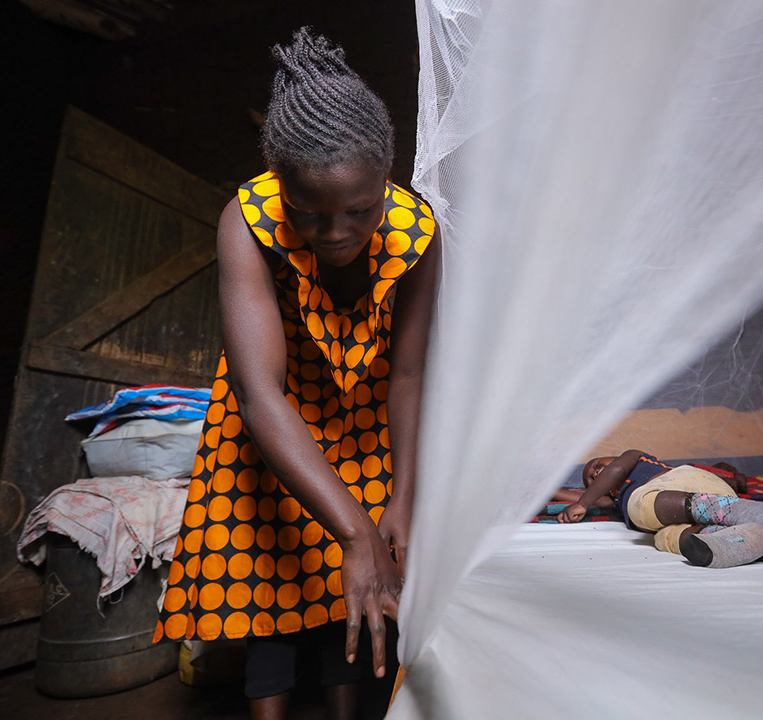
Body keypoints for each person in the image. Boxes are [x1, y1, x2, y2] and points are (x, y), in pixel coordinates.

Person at [153, 27, 440, 720]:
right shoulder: (245, 220)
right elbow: (259, 393)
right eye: (311, 215)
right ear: (281, 186)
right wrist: (354, 531)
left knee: (352, 599)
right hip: (271, 417)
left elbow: (406, 376)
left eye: (359, 210)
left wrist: (399, 501)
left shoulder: (419, 231)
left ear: (387, 179)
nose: (337, 232)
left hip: (364, 417)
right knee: (270, 586)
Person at [557, 450, 763, 568]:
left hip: (690, 484)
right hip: (682, 511)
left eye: (597, 466)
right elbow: (588, 499)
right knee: (665, 537)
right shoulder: (616, 500)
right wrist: (545, 492)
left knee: (640, 506)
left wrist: (582, 503)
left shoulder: (633, 458)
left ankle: (735, 511)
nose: (595, 474)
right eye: (590, 479)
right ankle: (730, 540)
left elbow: (612, 473)